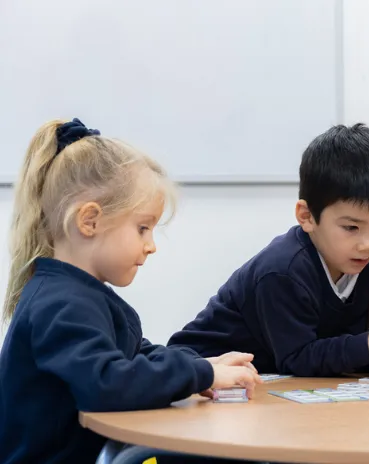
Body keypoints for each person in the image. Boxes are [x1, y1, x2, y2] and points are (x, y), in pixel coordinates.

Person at [0, 119, 261, 463]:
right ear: (89, 221)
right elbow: (108, 383)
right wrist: (202, 374)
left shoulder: (77, 294)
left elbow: (131, 356)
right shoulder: (60, 304)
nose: (151, 246)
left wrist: (200, 365)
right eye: (142, 229)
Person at [168, 123, 369, 377]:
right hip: (198, 373)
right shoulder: (283, 270)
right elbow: (296, 357)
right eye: (351, 228)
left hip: (271, 384)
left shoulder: (362, 264)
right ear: (307, 216)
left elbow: (334, 349)